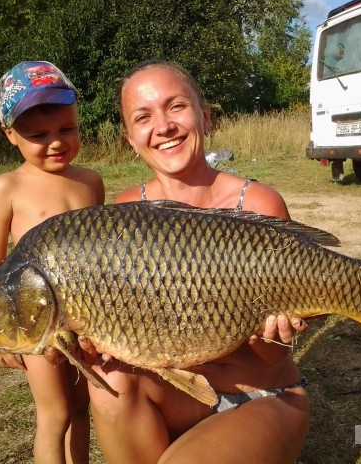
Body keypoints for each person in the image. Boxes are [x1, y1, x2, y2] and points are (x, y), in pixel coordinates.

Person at [81, 60, 310, 464]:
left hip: (258, 396)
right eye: (143, 117)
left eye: (176, 107)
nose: (164, 126)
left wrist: (277, 333)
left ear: (205, 118)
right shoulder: (124, 213)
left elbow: (275, 355)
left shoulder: (258, 203)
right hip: (174, 395)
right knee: (109, 380)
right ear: (130, 138)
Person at [0, 61, 105, 464]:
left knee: (83, 407)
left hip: (85, 315)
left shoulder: (90, 181)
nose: (55, 143)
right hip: (37, 320)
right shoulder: (7, 188)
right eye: (38, 135)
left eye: (66, 130)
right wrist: (2, 332)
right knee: (55, 414)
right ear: (10, 135)